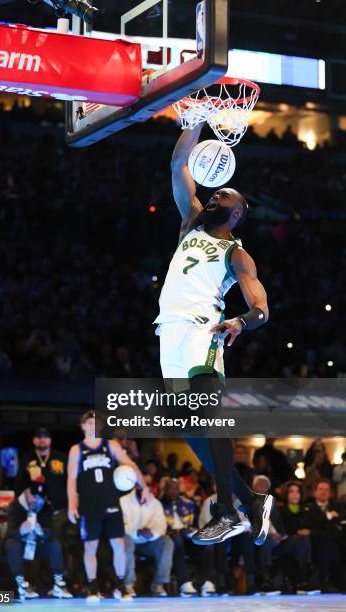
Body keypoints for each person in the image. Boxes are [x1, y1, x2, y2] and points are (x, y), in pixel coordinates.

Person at [154, 124, 273, 544]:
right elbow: (177, 163)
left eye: (224, 195)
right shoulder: (190, 223)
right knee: (187, 427)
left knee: (208, 416)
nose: (215, 195)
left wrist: (241, 320)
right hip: (168, 334)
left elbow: (261, 306)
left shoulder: (235, 252)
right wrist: (195, 119)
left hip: (203, 330)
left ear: (236, 213)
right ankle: (250, 502)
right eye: (215, 192)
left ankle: (227, 511)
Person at [67, 410, 150, 602]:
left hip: (111, 502)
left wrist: (144, 487)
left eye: (96, 423)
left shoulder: (110, 445)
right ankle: (92, 587)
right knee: (90, 546)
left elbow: (131, 465)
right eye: (89, 423)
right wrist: (73, 504)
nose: (92, 426)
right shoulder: (76, 449)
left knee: (118, 544)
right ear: (83, 427)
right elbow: (71, 480)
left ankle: (121, 585)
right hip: (89, 505)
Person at [4, 486, 72, 601]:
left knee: (55, 543)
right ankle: (22, 585)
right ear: (25, 492)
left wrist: (42, 533)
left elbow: (52, 531)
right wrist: (20, 531)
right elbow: (9, 533)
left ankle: (59, 583)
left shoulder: (46, 508)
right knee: (11, 544)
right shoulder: (15, 506)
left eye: (38, 496)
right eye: (32, 495)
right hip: (21, 546)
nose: (34, 499)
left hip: (39, 546)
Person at [15, 427, 68, 540]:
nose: (42, 440)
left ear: (50, 440)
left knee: (60, 545)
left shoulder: (62, 458)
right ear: (34, 440)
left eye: (45, 437)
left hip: (60, 512)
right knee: (39, 543)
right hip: (37, 514)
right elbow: (19, 485)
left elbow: (71, 482)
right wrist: (26, 493)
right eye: (39, 437)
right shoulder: (26, 460)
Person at [120, 484, 174, 597]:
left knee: (167, 542)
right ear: (136, 486)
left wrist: (151, 533)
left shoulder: (155, 503)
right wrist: (138, 532)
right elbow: (120, 526)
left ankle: (158, 584)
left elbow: (161, 526)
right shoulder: (123, 501)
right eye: (143, 486)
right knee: (125, 540)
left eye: (148, 486)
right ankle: (128, 585)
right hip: (130, 539)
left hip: (148, 542)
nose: (146, 489)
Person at [303, 479, 346, 592]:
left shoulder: (337, 506)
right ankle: (331, 582)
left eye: (327, 489)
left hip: (336, 541)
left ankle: (330, 582)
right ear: (315, 492)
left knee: (331, 543)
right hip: (316, 542)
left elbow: (339, 524)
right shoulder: (308, 508)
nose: (324, 492)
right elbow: (310, 528)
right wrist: (328, 517)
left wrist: (323, 521)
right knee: (326, 543)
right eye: (321, 489)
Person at [160, 478, 197, 596]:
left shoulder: (189, 503)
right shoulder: (158, 504)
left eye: (175, 488)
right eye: (170, 488)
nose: (173, 491)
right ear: (165, 490)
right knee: (177, 540)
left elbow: (196, 524)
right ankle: (184, 583)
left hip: (188, 536)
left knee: (207, 545)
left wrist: (193, 529)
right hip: (171, 537)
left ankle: (205, 582)